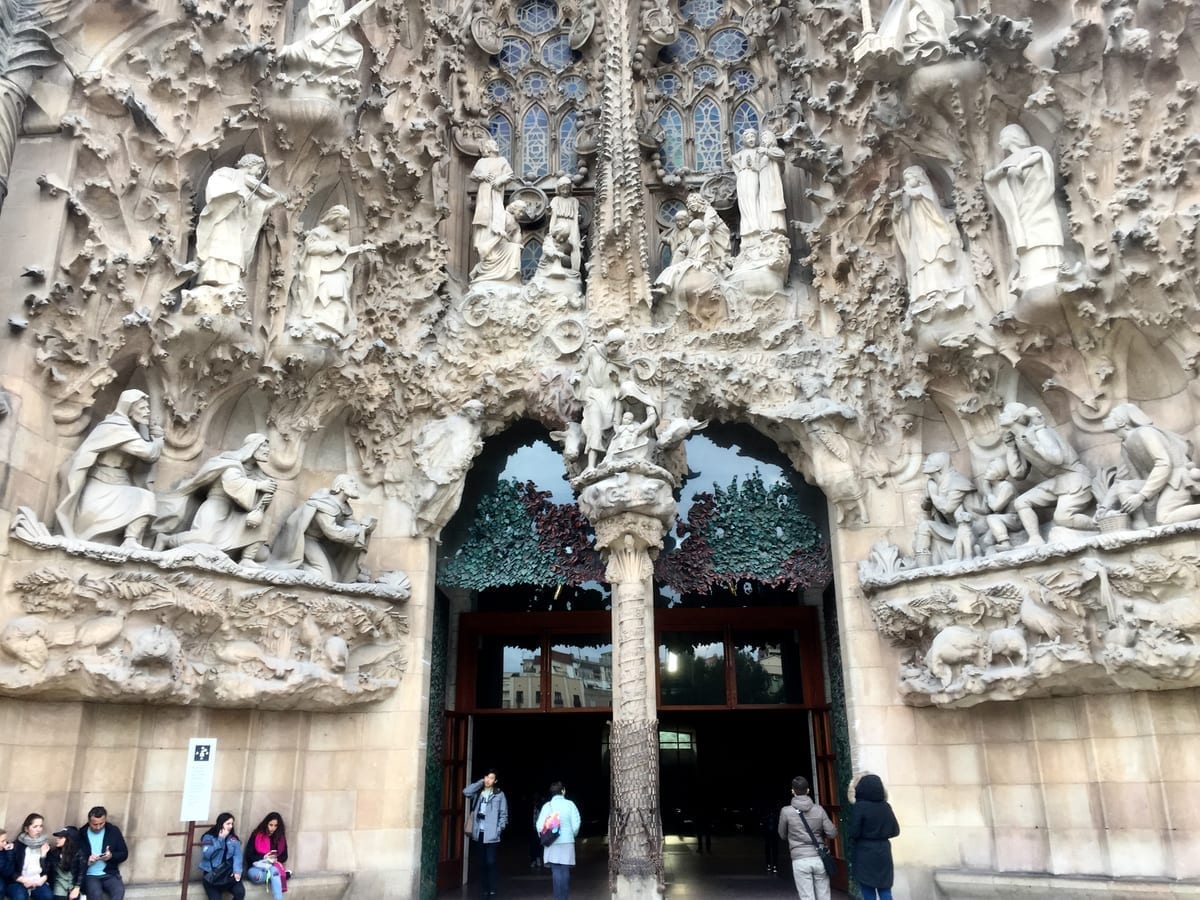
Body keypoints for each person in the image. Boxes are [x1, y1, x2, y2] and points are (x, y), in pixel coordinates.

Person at [55, 390, 164, 547]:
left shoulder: (131, 429)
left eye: (147, 408)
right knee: (144, 496)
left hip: (120, 485)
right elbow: (148, 453)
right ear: (129, 408)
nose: (147, 412)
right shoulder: (116, 428)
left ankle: (130, 540)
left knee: (145, 497)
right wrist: (159, 440)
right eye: (142, 408)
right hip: (101, 488)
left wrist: (148, 433)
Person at [153, 434, 278, 562]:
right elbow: (232, 483)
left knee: (264, 528)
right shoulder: (230, 461)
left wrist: (264, 497)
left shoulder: (258, 473)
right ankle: (166, 539)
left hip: (235, 514)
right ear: (252, 447)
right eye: (263, 446)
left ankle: (247, 559)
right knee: (203, 539)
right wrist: (259, 486)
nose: (267, 450)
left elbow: (255, 502)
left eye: (268, 447)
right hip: (217, 505)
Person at [194, 155, 285, 290]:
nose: (260, 173)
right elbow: (216, 186)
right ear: (249, 164)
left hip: (238, 222)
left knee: (234, 250)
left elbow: (257, 208)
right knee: (219, 245)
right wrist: (235, 193)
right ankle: (211, 276)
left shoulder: (250, 186)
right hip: (223, 217)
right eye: (259, 168)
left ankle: (230, 280)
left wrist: (275, 201)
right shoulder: (227, 173)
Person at [268, 475, 375, 581]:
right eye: (351, 482)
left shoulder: (344, 506)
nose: (355, 484)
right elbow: (332, 532)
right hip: (304, 540)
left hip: (318, 542)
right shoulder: (325, 503)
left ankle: (302, 568)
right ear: (341, 486)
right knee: (325, 577)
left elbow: (349, 523)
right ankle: (298, 569)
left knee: (335, 577)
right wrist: (359, 532)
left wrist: (363, 529)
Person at [778, 776, 836, 900]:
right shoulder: (819, 810)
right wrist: (819, 835)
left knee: (806, 897)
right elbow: (832, 833)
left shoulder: (786, 812)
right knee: (824, 896)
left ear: (792, 791)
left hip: (800, 859)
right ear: (808, 790)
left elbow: (782, 835)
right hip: (819, 857)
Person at [849, 773, 900, 900]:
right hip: (883, 851)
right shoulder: (886, 806)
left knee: (868, 891)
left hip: (865, 851)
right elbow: (895, 831)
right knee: (885, 891)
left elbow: (854, 832)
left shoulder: (860, 807)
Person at [463, 769, 508, 899]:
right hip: (479, 834)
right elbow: (466, 792)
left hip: (492, 836)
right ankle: (485, 889)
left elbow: (503, 814)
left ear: (496, 781)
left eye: (491, 778)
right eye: (487, 777)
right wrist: (481, 782)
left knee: (491, 862)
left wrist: (498, 829)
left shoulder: (499, 795)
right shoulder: (478, 793)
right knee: (482, 863)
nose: (489, 780)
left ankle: (493, 890)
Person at [536, 781, 581, 900]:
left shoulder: (547, 806)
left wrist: (545, 836)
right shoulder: (570, 804)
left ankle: (558, 898)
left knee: (555, 871)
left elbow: (539, 825)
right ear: (563, 791)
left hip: (552, 842)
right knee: (565, 870)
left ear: (552, 793)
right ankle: (564, 897)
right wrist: (572, 834)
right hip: (567, 841)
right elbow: (576, 824)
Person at [79, 808, 127, 900]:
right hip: (90, 875)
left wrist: (111, 856)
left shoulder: (113, 831)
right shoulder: (81, 833)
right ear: (89, 822)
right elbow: (74, 857)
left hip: (109, 873)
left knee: (119, 891)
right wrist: (87, 861)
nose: (98, 827)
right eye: (95, 824)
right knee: (95, 894)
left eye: (101, 823)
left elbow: (124, 854)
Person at [199, 814, 244, 900]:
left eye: (232, 824)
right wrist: (220, 839)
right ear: (221, 824)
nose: (230, 826)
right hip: (212, 875)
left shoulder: (233, 839)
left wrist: (237, 871)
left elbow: (237, 855)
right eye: (228, 823)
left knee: (240, 892)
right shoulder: (208, 837)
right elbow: (207, 854)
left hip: (228, 873)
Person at [6, 814, 52, 900]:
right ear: (26, 829)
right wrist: (23, 880)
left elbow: (48, 869)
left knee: (47, 896)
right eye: (35, 826)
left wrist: (43, 856)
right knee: (20, 897)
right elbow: (10, 869)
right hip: (19, 880)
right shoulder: (17, 845)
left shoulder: (45, 845)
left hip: (37, 880)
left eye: (40, 826)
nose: (39, 829)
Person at [244, 813, 289, 899]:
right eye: (271, 825)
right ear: (266, 824)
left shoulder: (280, 838)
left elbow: (284, 856)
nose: (273, 828)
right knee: (258, 877)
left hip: (272, 866)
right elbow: (248, 855)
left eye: (276, 825)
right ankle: (282, 875)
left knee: (274, 871)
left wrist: (274, 859)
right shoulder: (256, 835)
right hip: (256, 868)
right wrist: (264, 857)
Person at [46, 828, 83, 900]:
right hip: (59, 885)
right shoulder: (53, 853)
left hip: (72, 885)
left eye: (61, 838)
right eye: (58, 837)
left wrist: (77, 887)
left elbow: (81, 872)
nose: (57, 839)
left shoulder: (78, 853)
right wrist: (43, 855)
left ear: (69, 840)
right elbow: (46, 870)